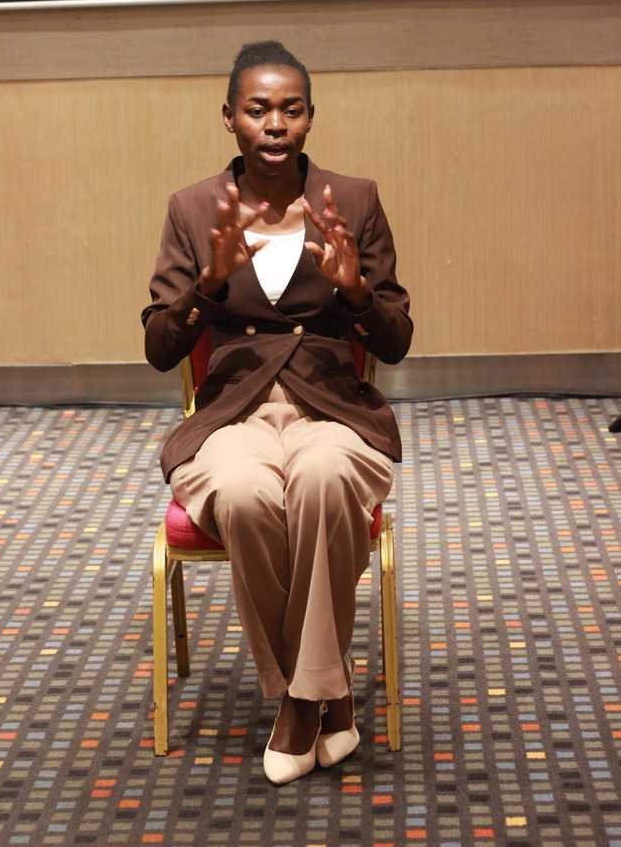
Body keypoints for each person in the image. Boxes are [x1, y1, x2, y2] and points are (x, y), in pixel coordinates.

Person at [142, 40, 412, 784]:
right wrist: (206, 286)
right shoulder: (193, 209)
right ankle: (327, 690)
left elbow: (395, 339)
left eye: (291, 109)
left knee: (323, 476)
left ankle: (299, 699)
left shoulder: (352, 200)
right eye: (257, 109)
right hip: (234, 413)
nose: (274, 123)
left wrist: (356, 293)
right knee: (241, 493)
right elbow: (160, 349)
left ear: (310, 118)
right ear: (229, 117)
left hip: (334, 408)